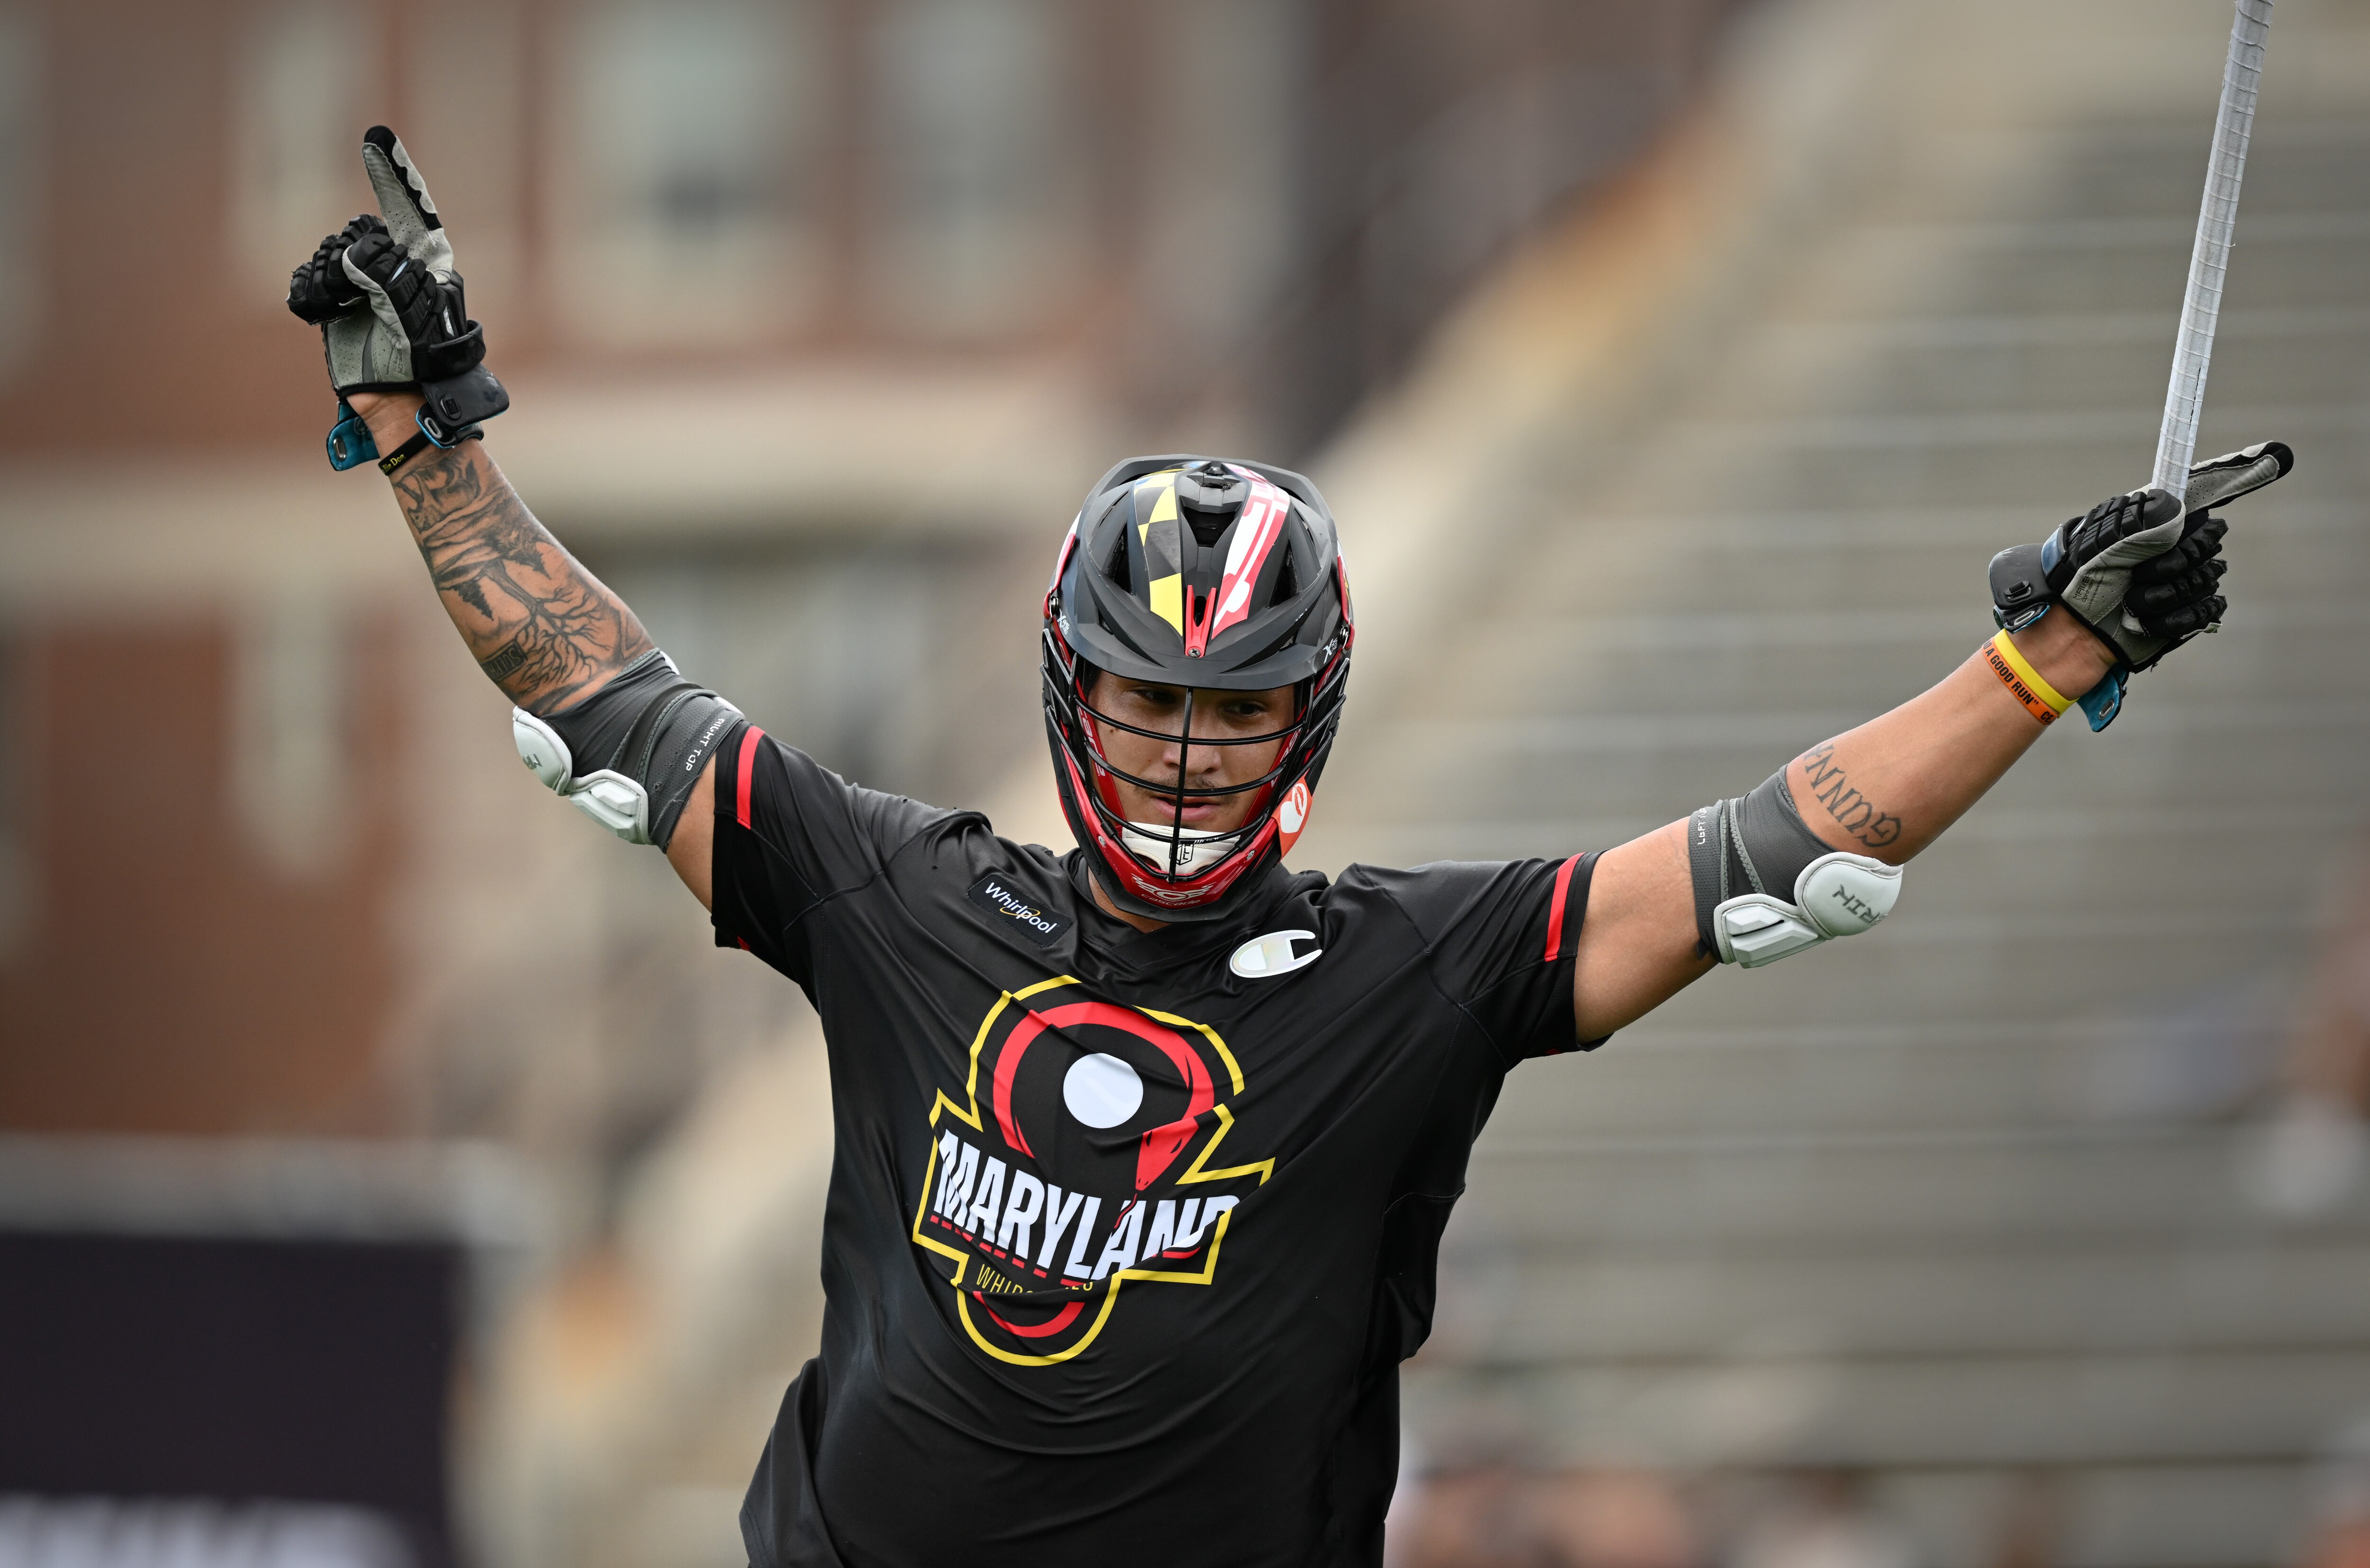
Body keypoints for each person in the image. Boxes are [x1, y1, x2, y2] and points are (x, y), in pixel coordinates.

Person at [287, 131, 2291, 1568]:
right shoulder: (899, 897)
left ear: (1306, 716)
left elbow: (1769, 862)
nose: (1182, 751)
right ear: (1066, 692)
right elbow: (604, 701)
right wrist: (424, 437)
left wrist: (2040, 660)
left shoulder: (1409, 972)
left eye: (1232, 705)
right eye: (1145, 698)